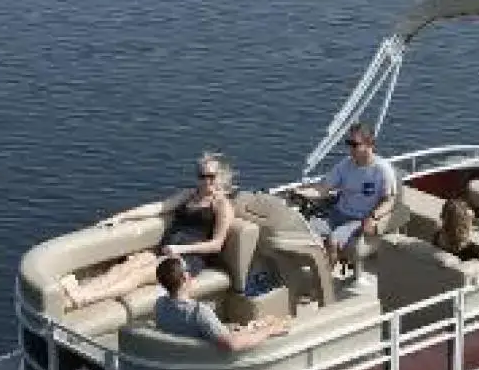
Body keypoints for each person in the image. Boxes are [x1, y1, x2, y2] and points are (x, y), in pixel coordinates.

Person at [58, 152, 236, 310]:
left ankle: (83, 299)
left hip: (187, 259)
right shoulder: (190, 194)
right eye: (202, 176)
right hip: (165, 249)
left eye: (210, 176)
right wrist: (122, 217)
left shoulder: (222, 205)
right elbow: (158, 207)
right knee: (124, 267)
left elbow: (216, 245)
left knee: (138, 275)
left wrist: (180, 249)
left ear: (220, 177)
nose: (206, 181)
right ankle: (78, 291)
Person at [298, 121, 397, 265]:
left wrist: (373, 217)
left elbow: (389, 200)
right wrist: (300, 192)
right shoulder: (345, 165)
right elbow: (323, 188)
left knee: (332, 241)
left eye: (355, 144)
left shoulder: (382, 170)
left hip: (358, 220)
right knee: (302, 230)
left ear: (369, 145)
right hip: (337, 214)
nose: (350, 148)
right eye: (348, 143)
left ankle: (326, 277)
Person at [152, 256, 291, 351]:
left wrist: (225, 328)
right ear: (185, 277)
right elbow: (233, 344)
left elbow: (195, 329)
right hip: (211, 366)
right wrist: (270, 331)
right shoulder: (198, 312)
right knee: (271, 324)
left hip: (186, 358)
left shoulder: (160, 305)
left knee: (254, 325)